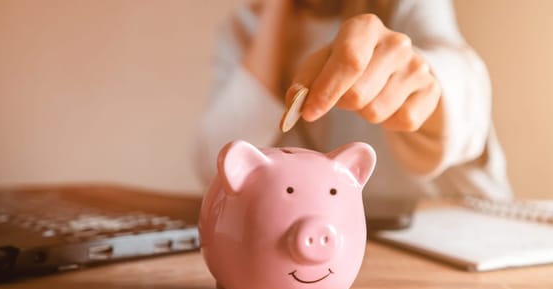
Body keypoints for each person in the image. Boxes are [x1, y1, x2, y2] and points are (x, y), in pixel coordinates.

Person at [196, 0, 511, 201]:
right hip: (326, 251)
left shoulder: (407, 6)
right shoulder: (242, 28)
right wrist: (275, 12)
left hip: (449, 233)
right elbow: (219, 169)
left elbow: (462, 77)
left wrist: (427, 87)